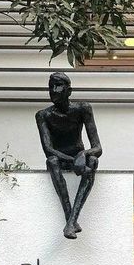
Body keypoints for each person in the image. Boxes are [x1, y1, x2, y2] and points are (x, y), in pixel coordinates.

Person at [36, 72, 102, 239]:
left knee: (93, 161)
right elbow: (48, 150)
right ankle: (71, 220)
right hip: (61, 158)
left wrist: (83, 154)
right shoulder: (43, 115)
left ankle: (70, 223)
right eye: (51, 87)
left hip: (79, 155)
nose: (53, 91)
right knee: (51, 161)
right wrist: (74, 161)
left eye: (58, 86)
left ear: (69, 91)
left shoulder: (83, 109)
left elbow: (98, 147)